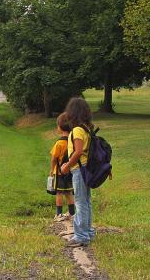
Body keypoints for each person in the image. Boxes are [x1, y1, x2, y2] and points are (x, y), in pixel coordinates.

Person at [61, 97, 95, 247]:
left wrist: (67, 165)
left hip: (79, 170)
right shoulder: (86, 128)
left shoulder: (77, 130)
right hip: (86, 169)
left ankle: (81, 236)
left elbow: (78, 151)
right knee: (86, 201)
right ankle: (87, 232)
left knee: (80, 203)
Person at [49, 113, 75, 222]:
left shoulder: (59, 143)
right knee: (68, 192)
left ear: (60, 127)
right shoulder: (73, 141)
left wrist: (52, 169)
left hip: (59, 173)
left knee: (59, 193)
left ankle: (59, 214)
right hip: (70, 172)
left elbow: (54, 158)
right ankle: (72, 213)